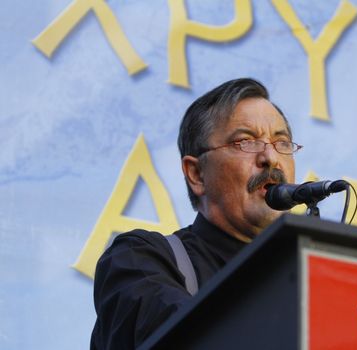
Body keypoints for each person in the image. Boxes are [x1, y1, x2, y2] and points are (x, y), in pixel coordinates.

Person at [90, 78, 302, 349]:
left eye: (281, 142)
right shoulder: (140, 260)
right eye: (245, 142)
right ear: (196, 174)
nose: (270, 158)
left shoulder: (307, 280)